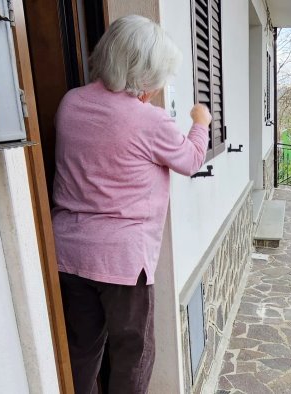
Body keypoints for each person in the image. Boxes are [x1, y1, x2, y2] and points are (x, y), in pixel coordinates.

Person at [51, 15, 211, 394]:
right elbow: (190, 161)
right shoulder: (150, 121)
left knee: (82, 348)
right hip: (122, 262)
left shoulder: (70, 103)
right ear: (142, 72)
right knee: (133, 353)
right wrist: (200, 121)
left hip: (68, 252)